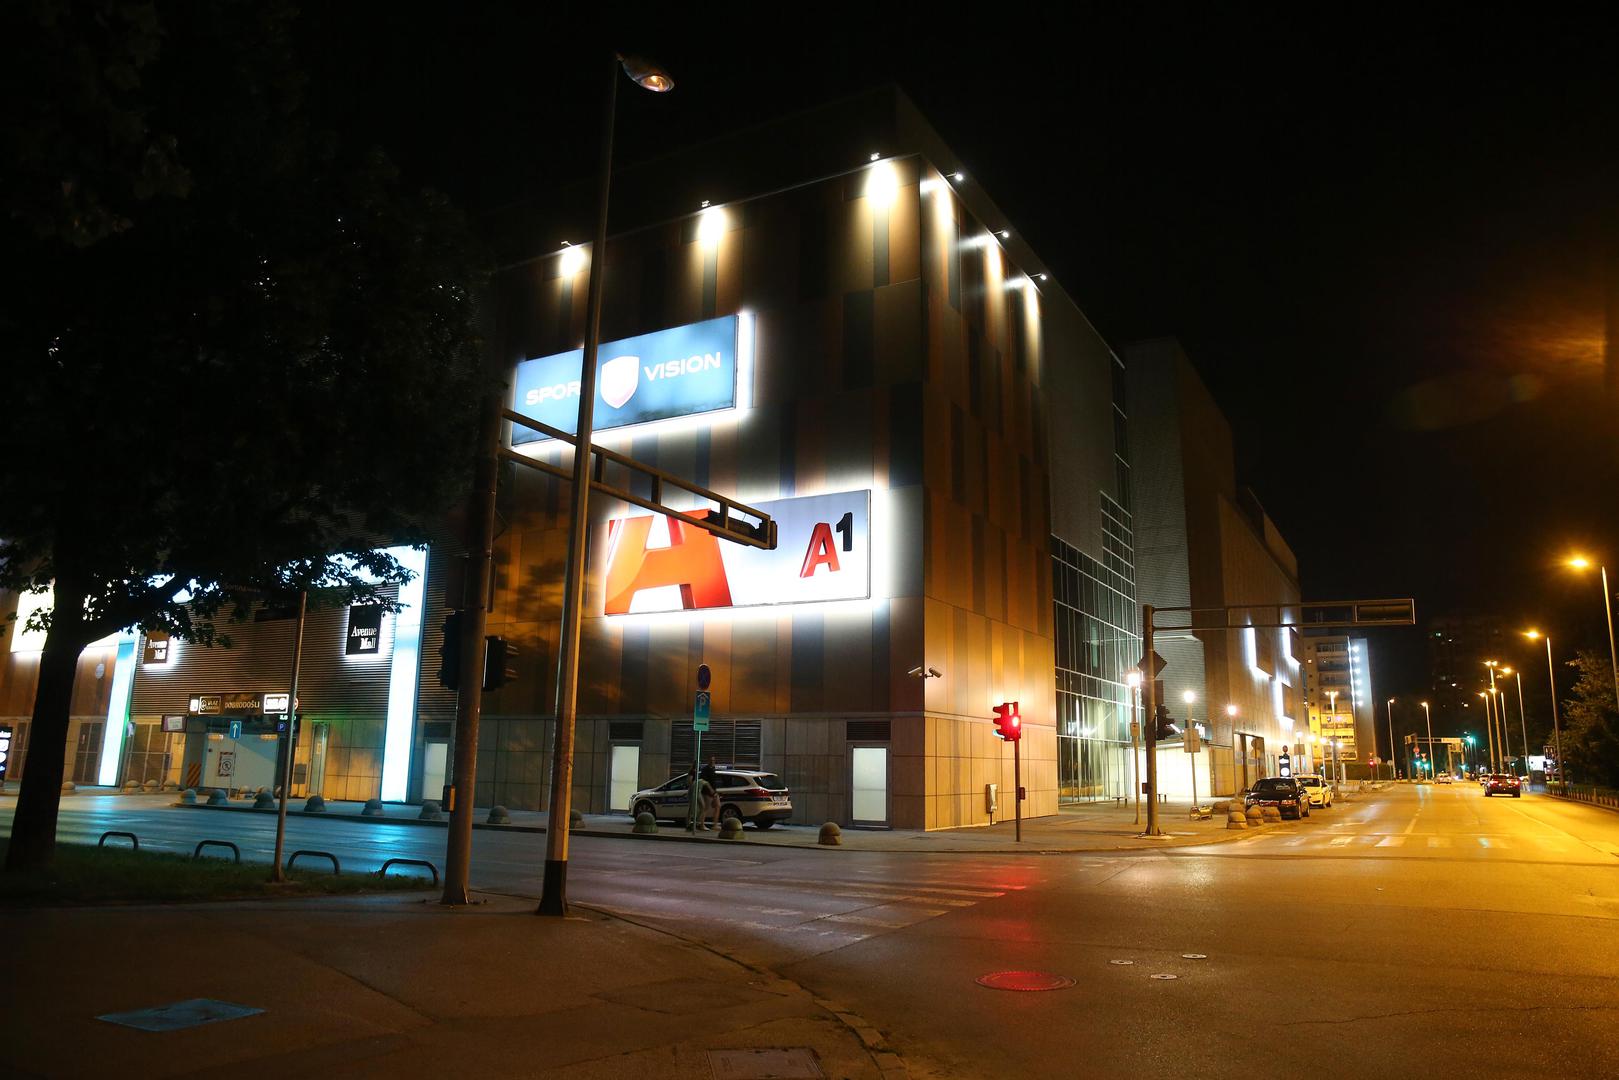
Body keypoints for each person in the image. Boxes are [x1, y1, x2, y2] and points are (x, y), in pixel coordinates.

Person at [699, 756, 722, 831]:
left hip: (714, 791)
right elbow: (704, 782)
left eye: (713, 760)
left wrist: (715, 791)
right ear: (708, 761)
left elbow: (713, 781)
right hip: (707, 792)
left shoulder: (713, 768)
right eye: (711, 760)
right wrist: (711, 790)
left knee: (718, 806)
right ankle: (702, 825)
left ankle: (715, 825)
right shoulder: (705, 769)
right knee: (706, 808)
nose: (712, 761)